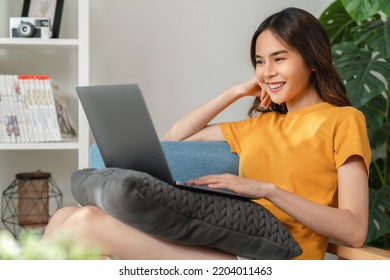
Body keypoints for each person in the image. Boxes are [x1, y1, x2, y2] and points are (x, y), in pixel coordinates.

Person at [43, 7, 371, 260]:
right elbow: (174, 138)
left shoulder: (343, 120)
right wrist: (235, 91)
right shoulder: (259, 126)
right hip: (231, 242)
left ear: (312, 60)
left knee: (84, 224)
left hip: (279, 257)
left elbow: (354, 230)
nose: (267, 72)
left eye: (279, 59)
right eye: (259, 62)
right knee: (65, 215)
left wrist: (267, 190)